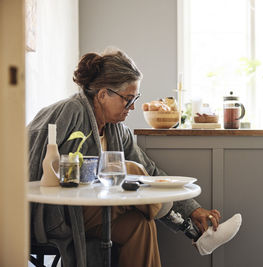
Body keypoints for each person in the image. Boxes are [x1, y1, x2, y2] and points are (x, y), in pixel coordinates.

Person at [28, 47, 242, 267]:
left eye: (135, 98)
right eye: (128, 99)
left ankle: (199, 235)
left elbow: (149, 171)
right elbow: (29, 161)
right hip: (56, 213)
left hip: (95, 209)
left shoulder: (118, 130)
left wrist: (194, 209)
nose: (133, 106)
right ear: (103, 95)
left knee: (140, 225)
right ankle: (196, 234)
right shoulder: (69, 112)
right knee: (129, 171)